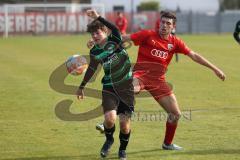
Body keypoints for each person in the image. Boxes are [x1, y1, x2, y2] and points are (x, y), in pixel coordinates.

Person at [95, 11, 225, 150]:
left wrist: (215, 68)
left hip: (158, 81)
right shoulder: (147, 35)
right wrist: (100, 41)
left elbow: (193, 55)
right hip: (140, 75)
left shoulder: (175, 42)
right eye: (162, 22)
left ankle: (167, 144)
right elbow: (122, 38)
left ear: (173, 26)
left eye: (168, 23)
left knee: (175, 114)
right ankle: (107, 121)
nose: (164, 25)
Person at [76, 9, 134, 160]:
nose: (95, 36)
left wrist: (98, 17)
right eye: (92, 34)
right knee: (109, 119)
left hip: (126, 87)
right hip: (109, 87)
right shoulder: (94, 52)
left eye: (98, 33)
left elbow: (114, 28)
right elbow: (92, 69)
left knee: (124, 125)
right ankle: (109, 140)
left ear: (105, 32)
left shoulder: (115, 39)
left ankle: (122, 150)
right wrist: (81, 87)